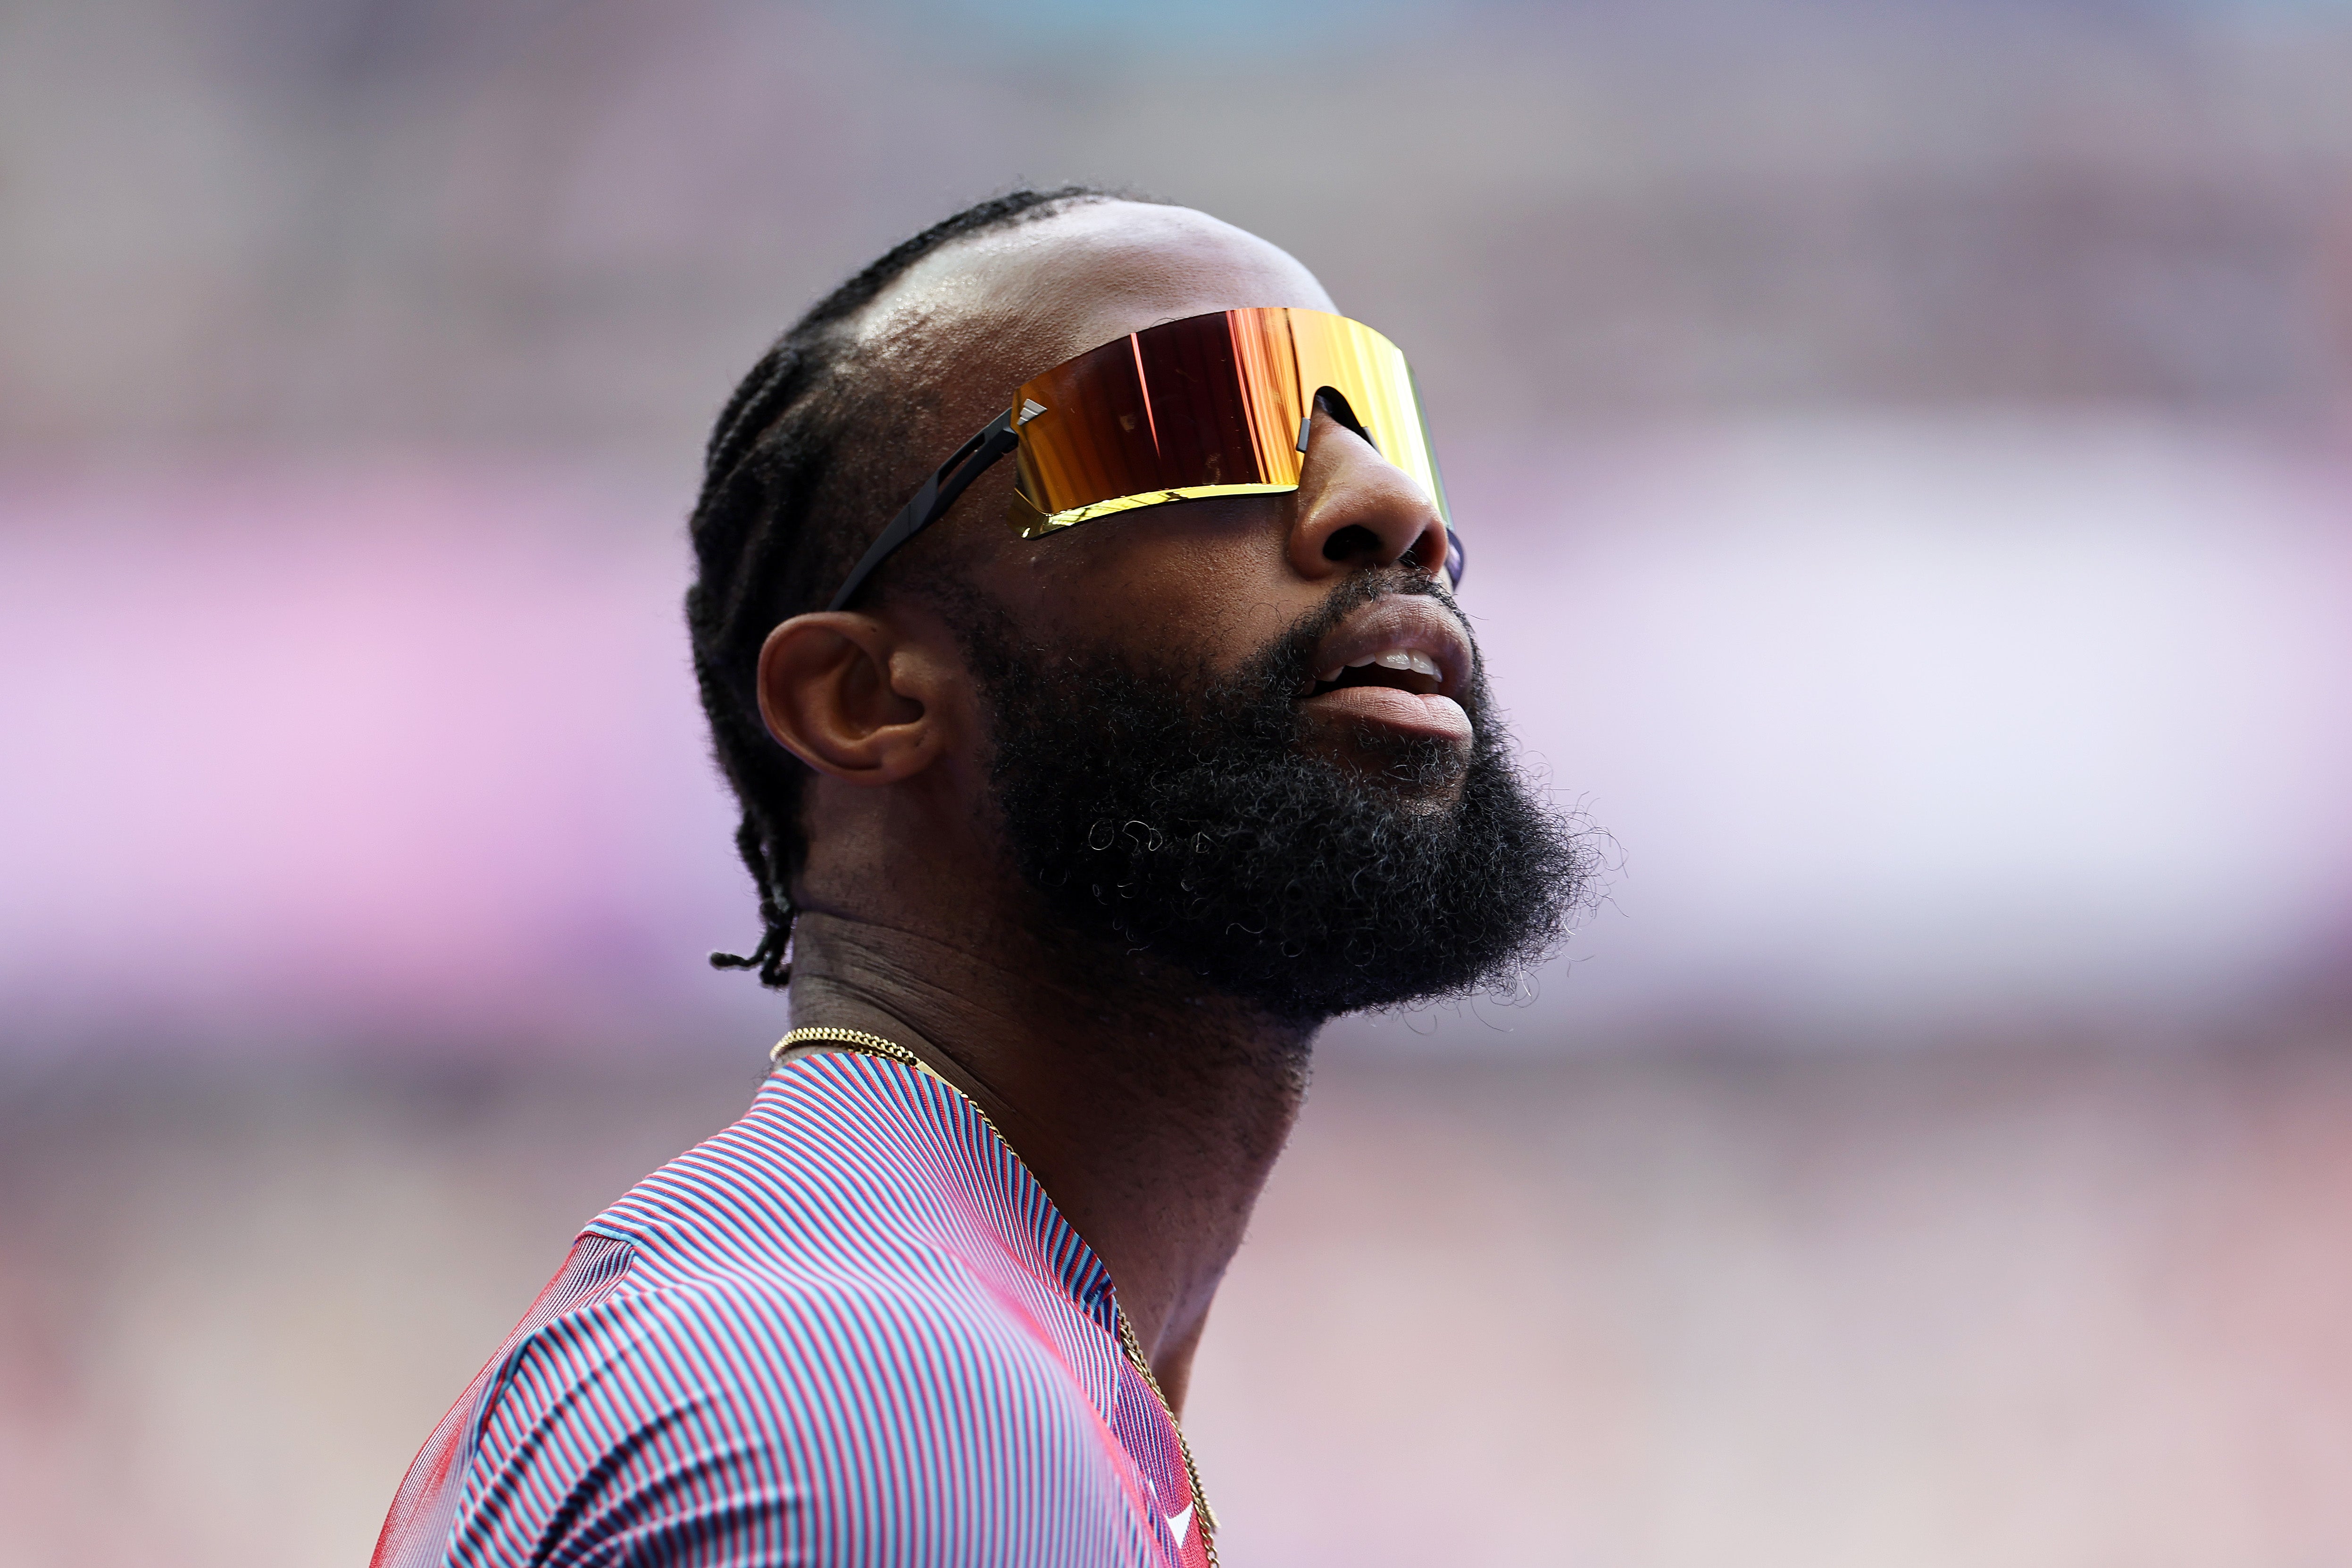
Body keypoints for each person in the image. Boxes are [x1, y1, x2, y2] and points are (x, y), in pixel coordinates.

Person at [371, 186, 1588, 1568]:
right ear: (864, 696)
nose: (1389, 507)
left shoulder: (866, 1335)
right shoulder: (880, 1403)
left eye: (1379, 421)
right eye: (1186, 419)